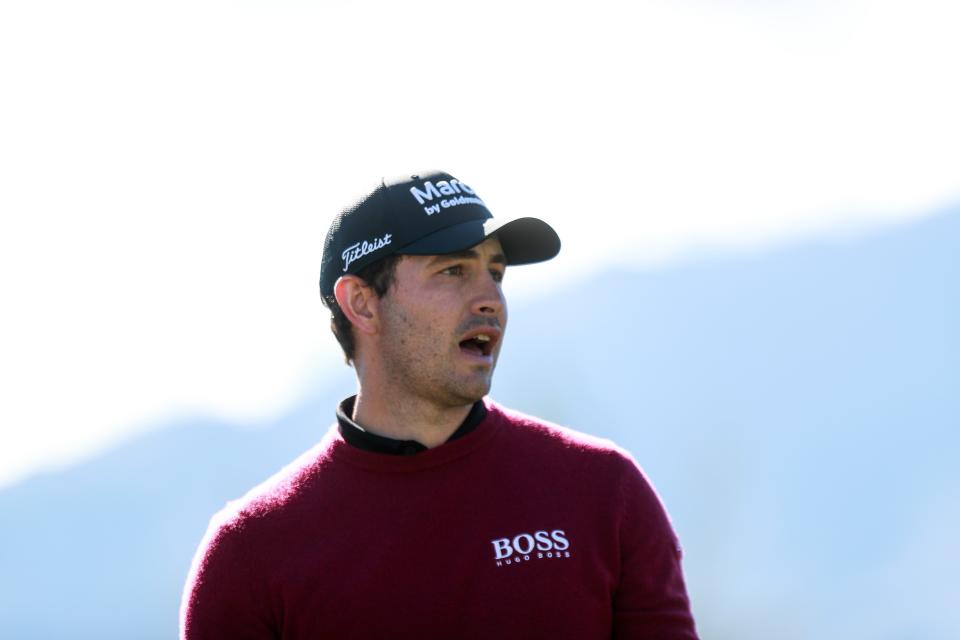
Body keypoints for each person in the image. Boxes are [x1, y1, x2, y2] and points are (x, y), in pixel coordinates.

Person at [180, 171, 699, 639]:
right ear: (361, 302)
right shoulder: (249, 551)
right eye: (452, 270)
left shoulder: (605, 492)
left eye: (495, 272)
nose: (490, 299)